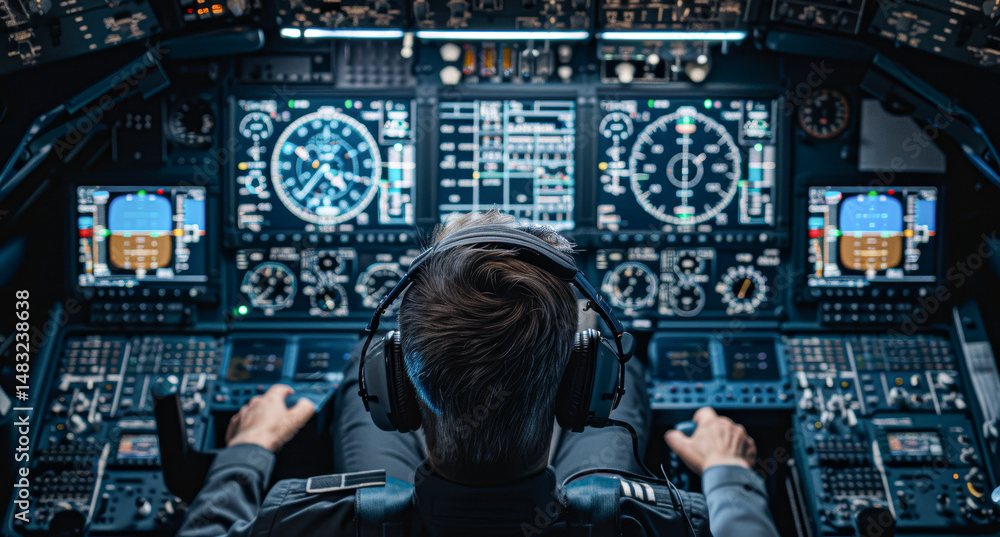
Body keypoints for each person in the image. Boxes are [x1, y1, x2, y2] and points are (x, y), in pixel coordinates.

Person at [178, 211, 779, 536]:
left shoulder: (299, 522)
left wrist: (248, 450)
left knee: (359, 411)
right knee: (615, 390)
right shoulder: (673, 525)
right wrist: (730, 478)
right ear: (582, 386)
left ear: (396, 391)